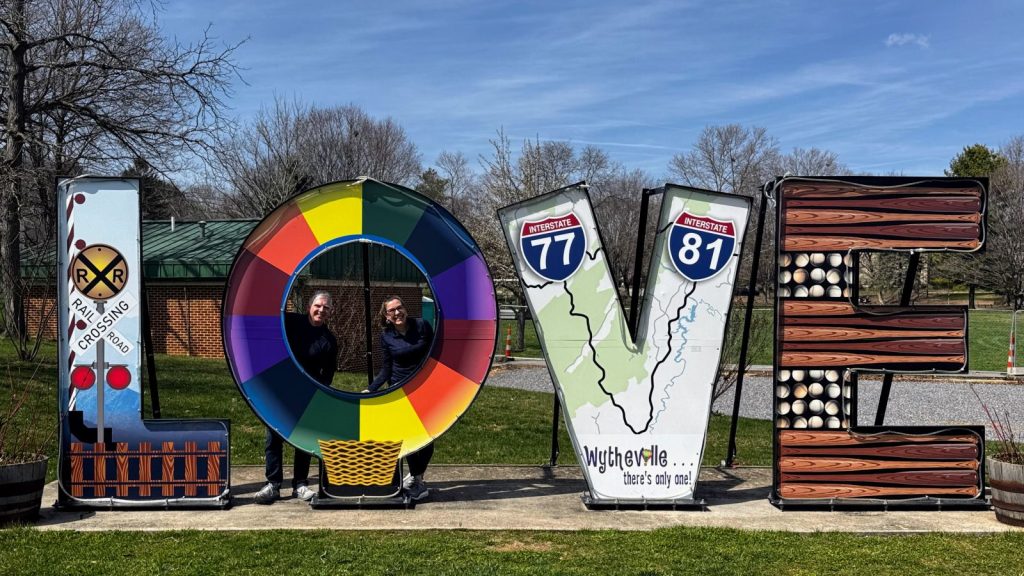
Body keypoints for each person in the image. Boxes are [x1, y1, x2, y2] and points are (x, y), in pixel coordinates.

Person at [255, 291, 338, 504]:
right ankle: (273, 484)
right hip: (281, 389)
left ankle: (299, 484)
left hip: (307, 395)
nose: (321, 310)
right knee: (274, 437)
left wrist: (316, 393)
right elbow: (269, 315)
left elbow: (327, 374)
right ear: (309, 306)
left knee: (302, 439)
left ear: (331, 312)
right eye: (318, 305)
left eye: (326, 308)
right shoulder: (291, 321)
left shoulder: (328, 340)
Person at [368, 296, 434, 501]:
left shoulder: (422, 326)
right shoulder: (386, 336)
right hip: (398, 390)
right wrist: (371, 389)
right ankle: (417, 479)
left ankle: (417, 477)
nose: (397, 313)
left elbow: (436, 354)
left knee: (428, 435)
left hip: (424, 388)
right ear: (386, 316)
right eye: (391, 311)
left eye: (400, 308)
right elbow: (386, 368)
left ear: (406, 309)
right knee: (407, 436)